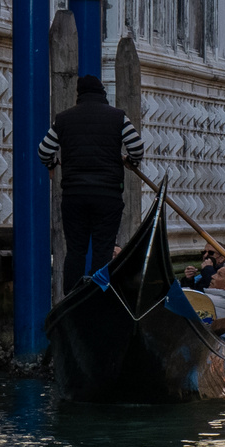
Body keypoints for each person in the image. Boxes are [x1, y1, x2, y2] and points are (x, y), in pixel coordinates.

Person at [38, 74, 145, 292]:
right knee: (103, 250)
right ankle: (98, 297)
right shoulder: (117, 117)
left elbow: (44, 150)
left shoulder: (64, 118)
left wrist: (53, 164)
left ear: (79, 94)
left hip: (74, 195)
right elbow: (136, 147)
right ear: (102, 93)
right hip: (107, 195)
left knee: (75, 250)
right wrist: (130, 162)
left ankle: (70, 298)